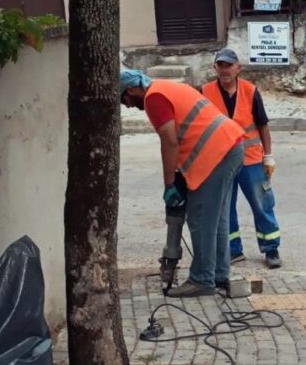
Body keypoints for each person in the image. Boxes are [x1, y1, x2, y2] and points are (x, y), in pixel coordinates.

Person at [120, 69, 245, 297]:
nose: (126, 105)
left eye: (124, 99)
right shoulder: (166, 86)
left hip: (216, 154)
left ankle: (202, 280)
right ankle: (219, 274)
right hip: (231, 146)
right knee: (217, 219)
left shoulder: (153, 99)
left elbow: (169, 141)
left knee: (200, 218)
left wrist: (169, 184)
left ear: (131, 89)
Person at [201, 49, 283, 269]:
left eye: (229, 65)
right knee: (224, 207)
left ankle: (271, 248)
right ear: (215, 68)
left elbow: (262, 125)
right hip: (221, 161)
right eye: (221, 65)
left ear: (238, 68)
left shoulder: (250, 91)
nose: (224, 70)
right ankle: (233, 250)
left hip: (251, 160)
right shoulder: (205, 92)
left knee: (262, 203)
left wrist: (268, 155)